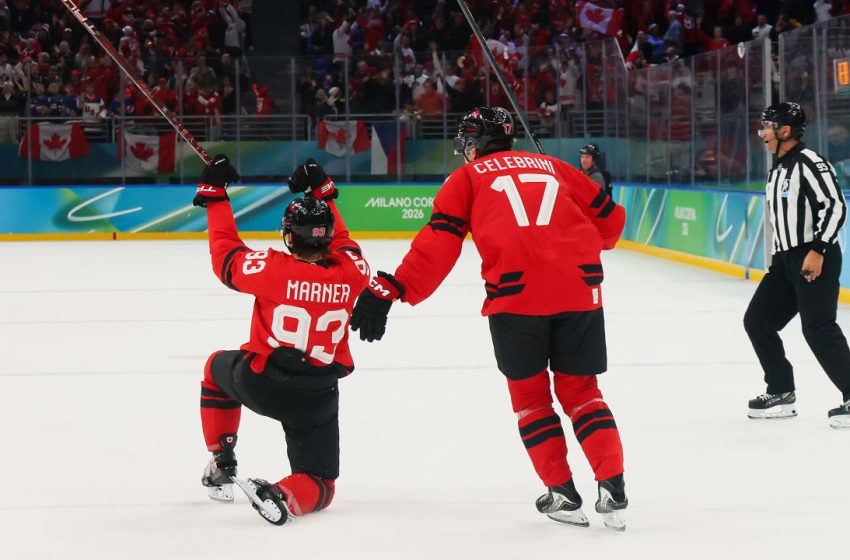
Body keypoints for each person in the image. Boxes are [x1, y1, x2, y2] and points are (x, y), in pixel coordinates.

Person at [350, 107, 629, 530]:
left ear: (473, 144)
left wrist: (396, 287)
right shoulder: (555, 167)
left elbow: (439, 243)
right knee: (583, 393)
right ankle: (613, 485)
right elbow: (611, 225)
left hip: (516, 298)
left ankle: (563, 493)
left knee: (532, 400)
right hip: (580, 291)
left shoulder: (466, 178)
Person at [193, 155, 371, 524]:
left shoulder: (273, 269)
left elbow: (225, 253)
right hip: (318, 396)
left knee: (214, 369)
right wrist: (323, 192)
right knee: (321, 483)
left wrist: (216, 196)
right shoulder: (354, 273)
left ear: (288, 236)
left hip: (262, 383)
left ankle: (222, 463)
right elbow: (343, 240)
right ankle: (280, 494)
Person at [744, 102, 850, 428]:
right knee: (758, 321)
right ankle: (781, 390)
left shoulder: (810, 162)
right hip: (785, 262)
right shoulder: (777, 169)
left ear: (785, 130)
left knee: (818, 327)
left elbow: (834, 206)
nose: (762, 133)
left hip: (814, 255)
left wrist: (817, 250)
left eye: (767, 127)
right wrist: (781, 259)